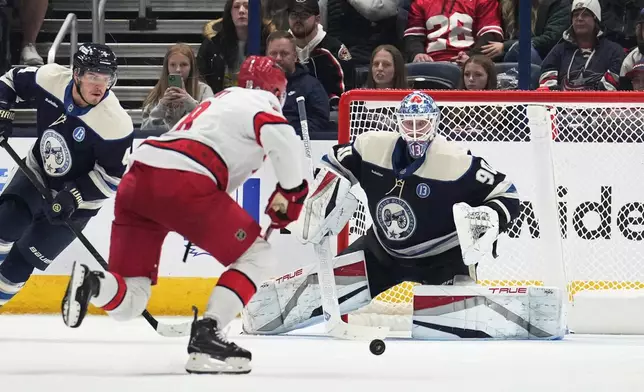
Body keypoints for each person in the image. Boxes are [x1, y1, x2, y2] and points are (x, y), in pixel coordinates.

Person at [60, 56, 309, 375]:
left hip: (139, 177)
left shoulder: (221, 100)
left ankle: (93, 283)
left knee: (131, 301)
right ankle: (210, 332)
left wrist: (283, 198)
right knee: (258, 256)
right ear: (276, 89)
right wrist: (292, 192)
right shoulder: (261, 101)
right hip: (184, 180)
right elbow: (280, 137)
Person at [242, 91, 520, 337]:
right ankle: (256, 312)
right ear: (398, 123)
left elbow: (507, 194)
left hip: (443, 259)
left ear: (434, 124)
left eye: (421, 123)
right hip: (380, 253)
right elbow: (336, 162)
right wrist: (322, 197)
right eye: (408, 124)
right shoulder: (371, 147)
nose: (414, 131)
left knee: (444, 335)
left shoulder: (456, 162)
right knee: (309, 295)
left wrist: (488, 218)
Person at [0, 43, 133, 308]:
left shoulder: (116, 123)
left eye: (106, 78)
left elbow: (113, 178)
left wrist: (74, 196)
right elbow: (10, 80)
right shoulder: (51, 79)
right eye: (93, 76)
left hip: (79, 202)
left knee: (22, 263)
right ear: (77, 73)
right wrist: (3, 111)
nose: (100, 86)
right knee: (6, 222)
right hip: (38, 171)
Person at [266, 30, 330, 134]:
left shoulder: (311, 86)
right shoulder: (257, 86)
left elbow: (320, 121)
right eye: (273, 53)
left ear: (295, 56)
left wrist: (289, 133)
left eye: (284, 53)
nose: (278, 58)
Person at [141, 43, 214, 132]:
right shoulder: (156, 94)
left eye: (184, 64)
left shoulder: (204, 91)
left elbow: (210, 124)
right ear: (167, 67)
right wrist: (161, 106)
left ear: (191, 67)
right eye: (172, 65)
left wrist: (189, 101)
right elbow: (144, 130)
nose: (178, 69)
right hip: (163, 143)